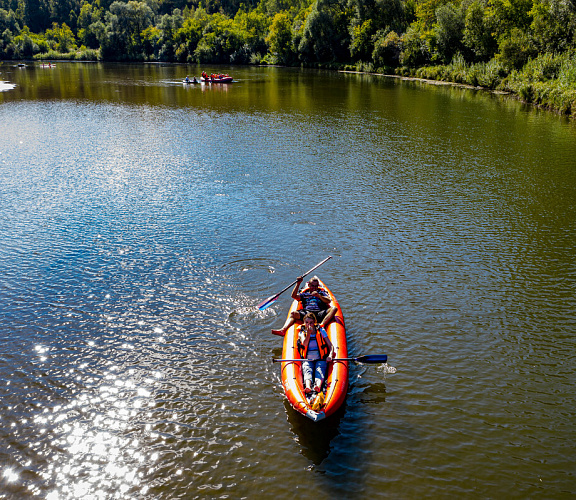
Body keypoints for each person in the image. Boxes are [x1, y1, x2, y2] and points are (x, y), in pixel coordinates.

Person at [271, 275, 337, 336]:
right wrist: (298, 283)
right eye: (312, 286)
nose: (314, 288)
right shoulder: (305, 294)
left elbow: (328, 301)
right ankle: (283, 330)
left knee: (334, 308)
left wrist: (319, 296)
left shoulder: (321, 293)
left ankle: (322, 325)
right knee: (293, 314)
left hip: (319, 313)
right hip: (307, 314)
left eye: (316, 286)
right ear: (309, 285)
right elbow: (293, 296)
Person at [298, 312, 335, 394]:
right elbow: (304, 343)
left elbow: (330, 345)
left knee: (320, 370)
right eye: (307, 323)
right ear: (304, 323)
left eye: (311, 323)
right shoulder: (301, 333)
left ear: (314, 322)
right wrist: (308, 334)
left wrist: (330, 355)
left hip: (320, 358)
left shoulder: (321, 331)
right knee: (307, 369)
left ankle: (318, 386)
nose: (309, 325)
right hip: (308, 358)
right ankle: (308, 386)